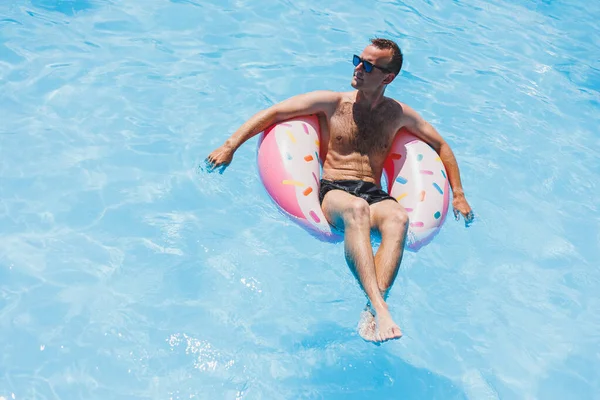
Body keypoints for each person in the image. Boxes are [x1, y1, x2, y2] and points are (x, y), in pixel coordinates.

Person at [205, 38, 474, 343]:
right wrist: (229, 147)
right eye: (358, 59)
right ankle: (380, 308)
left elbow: (441, 145)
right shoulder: (333, 103)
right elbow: (274, 113)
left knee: (398, 217)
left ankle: (370, 313)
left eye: (369, 65)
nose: (359, 67)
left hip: (374, 191)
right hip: (335, 188)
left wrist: (459, 194)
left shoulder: (397, 114)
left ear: (388, 77)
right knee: (356, 210)